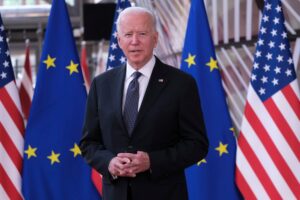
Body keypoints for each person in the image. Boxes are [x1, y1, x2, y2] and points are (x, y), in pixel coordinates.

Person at [80, 6, 208, 200]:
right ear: (119, 40)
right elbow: (89, 143)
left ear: (155, 38)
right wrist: (109, 163)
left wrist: (152, 162)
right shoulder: (101, 84)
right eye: (128, 34)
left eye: (142, 33)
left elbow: (197, 144)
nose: (135, 41)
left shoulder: (182, 84)